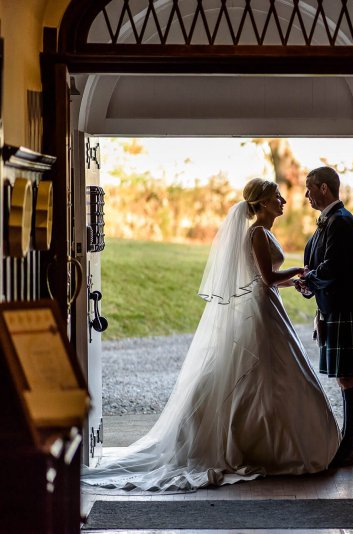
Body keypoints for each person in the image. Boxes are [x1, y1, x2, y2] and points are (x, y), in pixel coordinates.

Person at [81, 179, 339, 491]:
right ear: (264, 203)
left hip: (268, 304)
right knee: (259, 370)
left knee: (273, 374)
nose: (283, 200)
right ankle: (258, 445)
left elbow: (266, 279)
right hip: (259, 309)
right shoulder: (257, 232)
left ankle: (276, 443)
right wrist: (300, 272)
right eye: (276, 197)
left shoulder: (265, 232)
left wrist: (294, 282)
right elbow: (267, 278)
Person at [295, 166, 353, 468]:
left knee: (347, 377)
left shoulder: (340, 221)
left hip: (345, 308)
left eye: (309, 187)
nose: (306, 194)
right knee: (344, 378)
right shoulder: (327, 222)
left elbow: (333, 268)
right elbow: (317, 266)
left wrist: (309, 279)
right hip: (333, 309)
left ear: (324, 188)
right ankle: (347, 443)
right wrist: (306, 282)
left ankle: (348, 444)